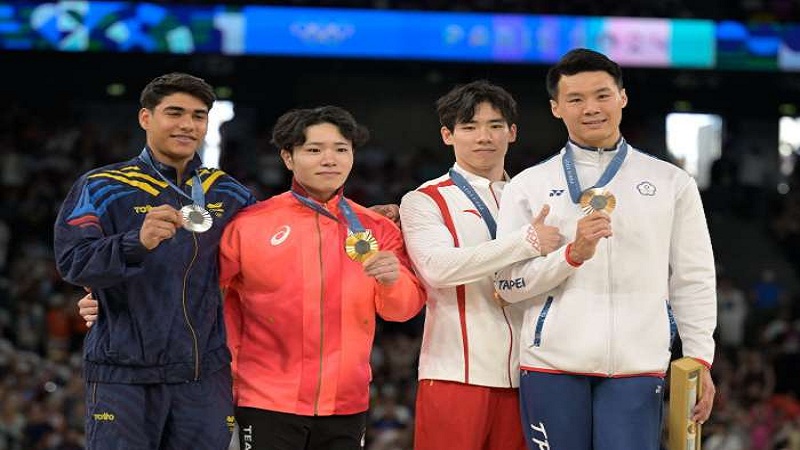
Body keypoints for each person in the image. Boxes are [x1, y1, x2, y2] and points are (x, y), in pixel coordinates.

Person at [494, 48, 717, 450]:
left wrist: (699, 358)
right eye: (575, 99)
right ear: (556, 108)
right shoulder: (527, 186)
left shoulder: (671, 183)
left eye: (601, 95)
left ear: (622, 98)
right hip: (550, 365)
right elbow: (507, 287)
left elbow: (694, 277)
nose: (591, 108)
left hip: (638, 363)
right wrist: (569, 256)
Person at [54, 72, 256, 449]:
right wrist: (136, 242)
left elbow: (278, 245)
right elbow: (73, 262)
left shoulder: (228, 191)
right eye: (174, 113)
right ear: (146, 118)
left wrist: (351, 219)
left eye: (198, 115)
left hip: (203, 375)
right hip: (123, 374)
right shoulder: (101, 186)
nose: (187, 125)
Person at [219, 105, 426, 450]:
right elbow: (208, 297)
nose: (329, 159)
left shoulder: (378, 228)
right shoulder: (248, 225)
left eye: (341, 149)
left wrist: (392, 280)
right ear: (288, 157)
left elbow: (402, 311)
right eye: (314, 150)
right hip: (265, 400)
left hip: (347, 401)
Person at [398, 80, 561, 450]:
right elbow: (438, 268)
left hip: (531, 374)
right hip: (456, 373)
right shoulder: (424, 200)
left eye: (495, 126)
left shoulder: (536, 200)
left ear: (512, 132)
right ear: (447, 135)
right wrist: (526, 242)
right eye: (469, 127)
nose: (483, 137)